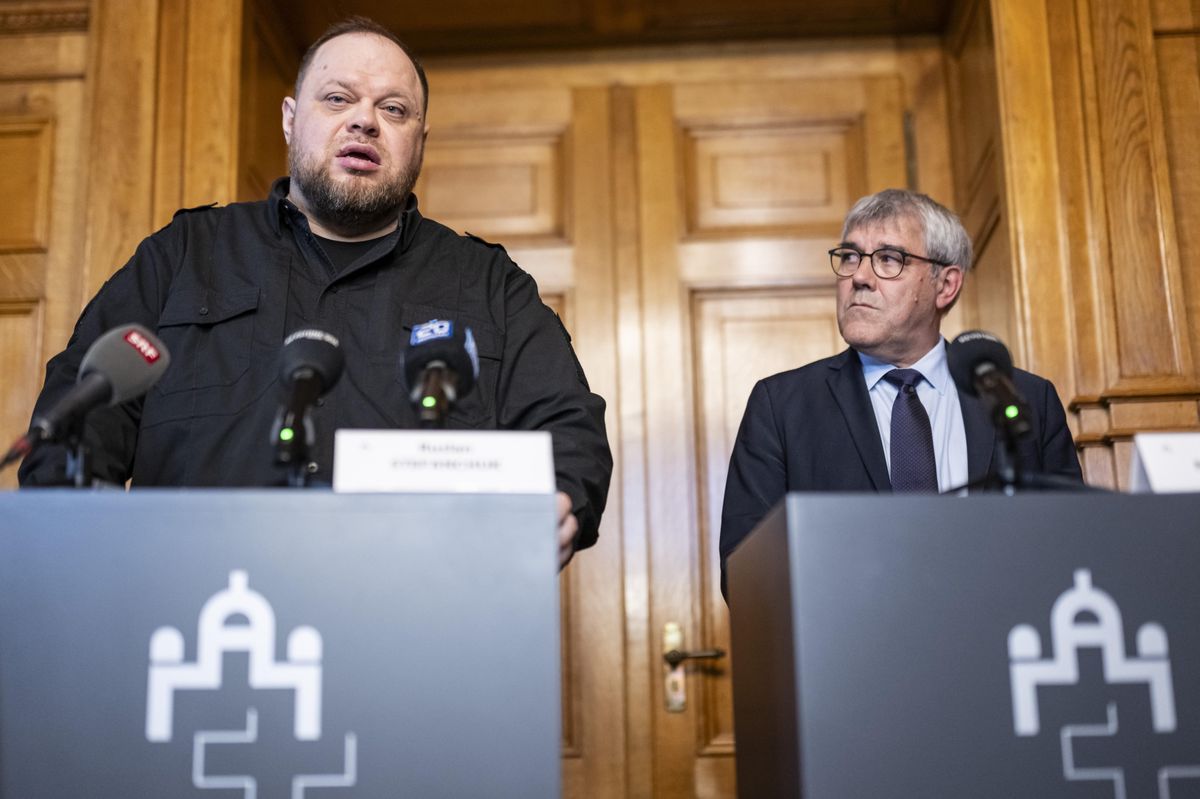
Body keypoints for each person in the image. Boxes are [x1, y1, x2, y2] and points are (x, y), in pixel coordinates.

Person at [19, 17, 611, 569]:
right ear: (288, 118)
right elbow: (80, 413)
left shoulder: (486, 285)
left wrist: (560, 500)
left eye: (394, 109)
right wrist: (81, 550)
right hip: (191, 607)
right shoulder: (185, 256)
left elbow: (568, 430)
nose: (364, 121)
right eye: (337, 98)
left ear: (420, 142)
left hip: (413, 619)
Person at [719, 189, 1081, 591]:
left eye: (888, 259)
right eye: (850, 256)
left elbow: (1074, 548)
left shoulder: (1026, 400)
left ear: (945, 285)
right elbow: (744, 573)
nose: (858, 277)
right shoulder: (782, 407)